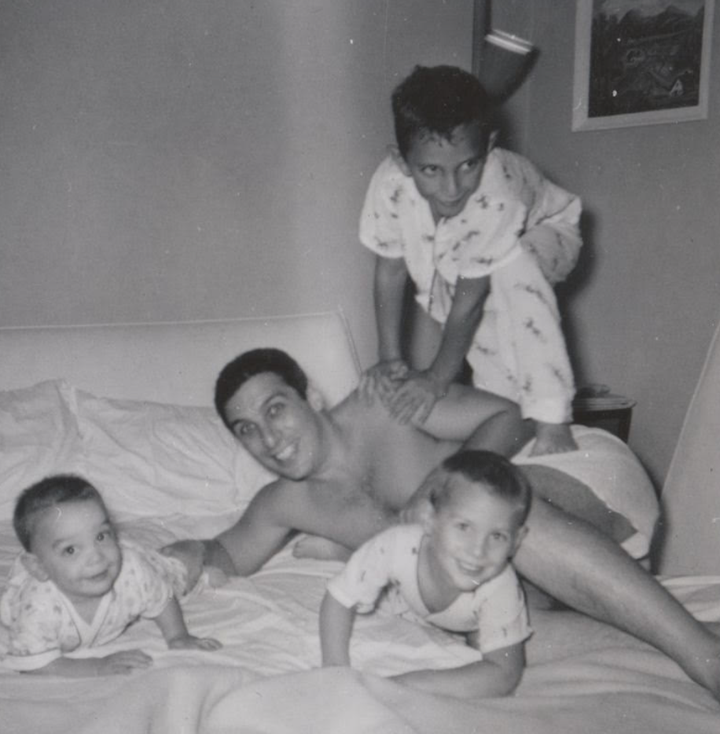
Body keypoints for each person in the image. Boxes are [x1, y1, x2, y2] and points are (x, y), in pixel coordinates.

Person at [163, 347, 720, 701]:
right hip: (546, 564)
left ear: (310, 396)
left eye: (275, 408)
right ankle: (676, 644)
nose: (270, 437)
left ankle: (705, 659)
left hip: (570, 470)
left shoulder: (380, 404)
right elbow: (225, 555)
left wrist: (438, 487)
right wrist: (183, 554)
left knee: (477, 511)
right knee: (475, 617)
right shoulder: (280, 503)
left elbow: (511, 416)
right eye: (246, 429)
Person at [359, 64, 582, 456]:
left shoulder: (496, 194)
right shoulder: (389, 186)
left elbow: (471, 299)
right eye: (430, 170)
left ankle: (551, 419)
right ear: (400, 161)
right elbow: (390, 270)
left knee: (513, 271)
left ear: (489, 146)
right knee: (488, 345)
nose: (451, 188)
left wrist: (436, 378)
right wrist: (389, 357)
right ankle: (513, 419)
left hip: (548, 234)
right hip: (459, 261)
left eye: (468, 165)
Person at [320, 450, 531, 699]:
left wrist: (397, 686)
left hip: (473, 619)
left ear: (516, 541)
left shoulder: (499, 584)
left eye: (497, 536)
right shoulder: (398, 545)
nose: (477, 551)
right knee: (371, 558)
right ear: (430, 520)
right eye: (464, 527)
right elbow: (339, 598)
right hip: (409, 597)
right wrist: (336, 670)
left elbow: (504, 674)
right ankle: (340, 549)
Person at [1, 474, 221, 676]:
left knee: (178, 572)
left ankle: (195, 549)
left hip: (146, 563)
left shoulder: (131, 571)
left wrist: (178, 636)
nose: (97, 557)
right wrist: (98, 666)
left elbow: (163, 598)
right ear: (39, 568)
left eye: (102, 536)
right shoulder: (38, 606)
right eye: (71, 550)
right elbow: (36, 665)